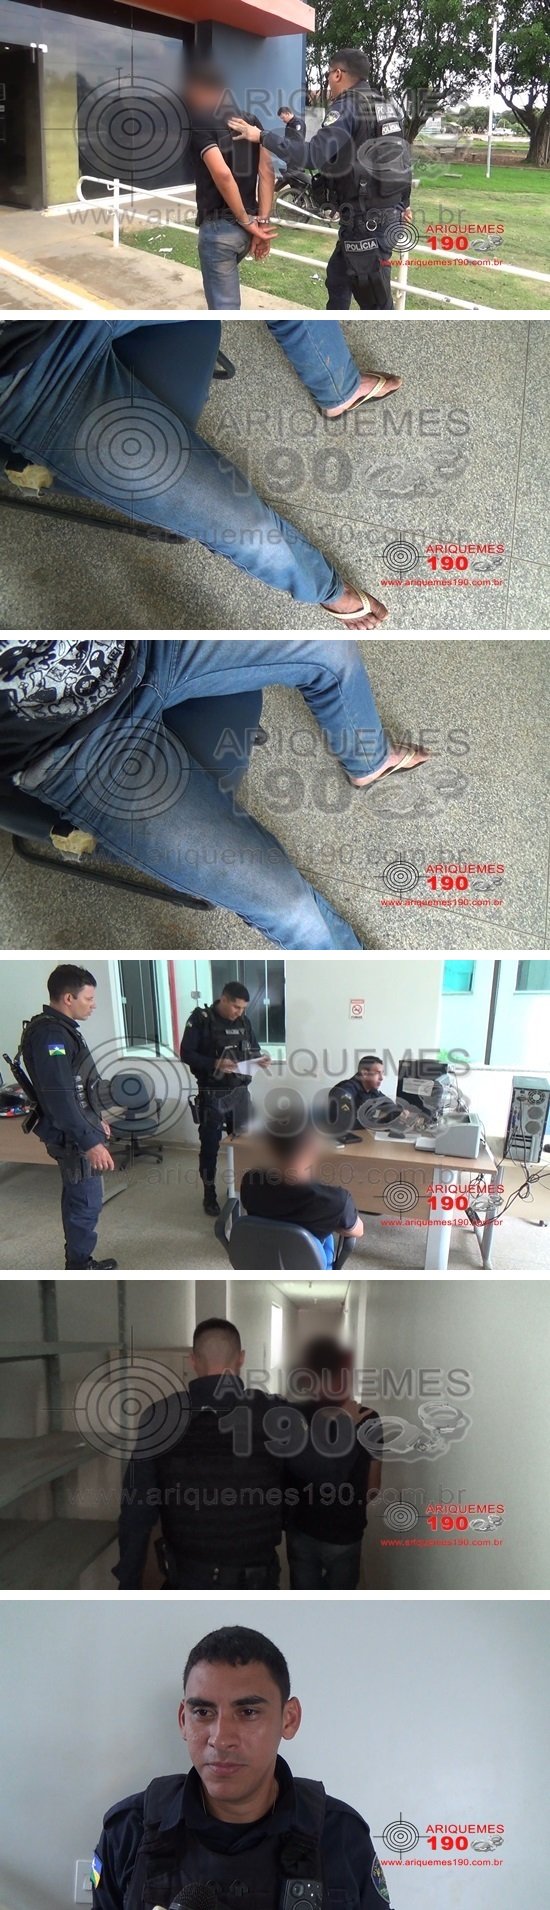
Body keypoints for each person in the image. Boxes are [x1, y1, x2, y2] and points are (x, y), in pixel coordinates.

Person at [0, 639, 428, 951]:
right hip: (74, 745)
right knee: (291, 908)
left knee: (330, 651)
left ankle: (369, 760)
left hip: (135, 654)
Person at [0, 316, 405, 628]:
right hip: (29, 384)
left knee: (230, 257)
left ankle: (338, 387)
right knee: (233, 520)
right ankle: (324, 587)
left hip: (59, 296)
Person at [91, 1623, 395, 1908]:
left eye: (248, 1712)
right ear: (184, 1720)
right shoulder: (129, 1831)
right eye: (203, 1712)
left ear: (288, 1719)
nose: (221, 1739)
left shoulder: (340, 1834)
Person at [231, 47, 411, 311]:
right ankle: (334, 323)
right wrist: (404, 203)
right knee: (337, 279)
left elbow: (313, 155)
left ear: (338, 74)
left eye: (328, 76)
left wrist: (261, 136)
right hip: (382, 214)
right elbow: (401, 158)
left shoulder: (348, 105)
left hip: (366, 221)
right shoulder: (386, 106)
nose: (328, 82)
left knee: (374, 300)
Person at [115, 1319, 284, 1590]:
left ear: (193, 1361)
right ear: (241, 1358)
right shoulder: (275, 1414)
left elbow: (137, 1511)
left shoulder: (160, 1416)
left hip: (188, 1580)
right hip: (257, 1582)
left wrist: (128, 1585)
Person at [13, 964, 118, 1270]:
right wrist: (90, 1142)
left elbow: (77, 1086)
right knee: (84, 1203)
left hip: (80, 1128)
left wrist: (96, 1119)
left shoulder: (61, 1029)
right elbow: (59, 1096)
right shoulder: (51, 1035)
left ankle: (78, 1259)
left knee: (79, 1198)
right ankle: (79, 1265)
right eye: (89, 998)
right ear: (69, 998)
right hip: (73, 1138)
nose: (94, 1004)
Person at [285, 1334, 382, 1589]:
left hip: (302, 1529)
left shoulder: (294, 1415)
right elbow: (373, 1489)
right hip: (346, 1533)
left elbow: (286, 1477)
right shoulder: (369, 1419)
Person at [183, 58, 276, 310]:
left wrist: (245, 220)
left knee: (224, 310)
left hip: (220, 231)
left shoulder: (201, 122)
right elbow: (267, 172)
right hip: (246, 231)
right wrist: (261, 223)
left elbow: (222, 174)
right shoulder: (252, 121)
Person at [180, 980, 271, 1216]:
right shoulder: (201, 1019)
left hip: (239, 1094)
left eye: (243, 1008)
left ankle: (242, 1190)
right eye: (236, 1007)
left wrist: (260, 1059)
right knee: (210, 1146)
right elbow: (186, 1053)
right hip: (213, 1094)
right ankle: (209, 1193)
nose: (240, 1012)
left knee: (246, 1145)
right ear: (223, 999)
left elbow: (253, 1048)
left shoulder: (243, 1021)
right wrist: (215, 1063)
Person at [240, 1113, 364, 1268]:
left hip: (262, 1256)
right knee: (328, 1237)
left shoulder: (250, 1180)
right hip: (307, 1265)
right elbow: (358, 1231)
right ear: (314, 1150)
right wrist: (331, 1222)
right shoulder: (336, 1201)